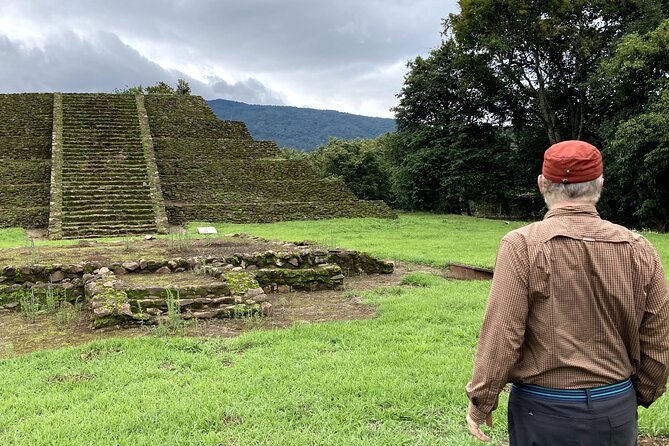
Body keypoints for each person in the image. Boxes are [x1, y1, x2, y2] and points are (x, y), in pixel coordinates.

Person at [465, 140, 669, 445]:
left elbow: (503, 332)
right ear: (600, 184)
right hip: (616, 406)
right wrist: (638, 392)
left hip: (542, 411)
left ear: (542, 184)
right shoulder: (638, 248)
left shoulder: (521, 246)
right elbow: (658, 333)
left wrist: (482, 398)